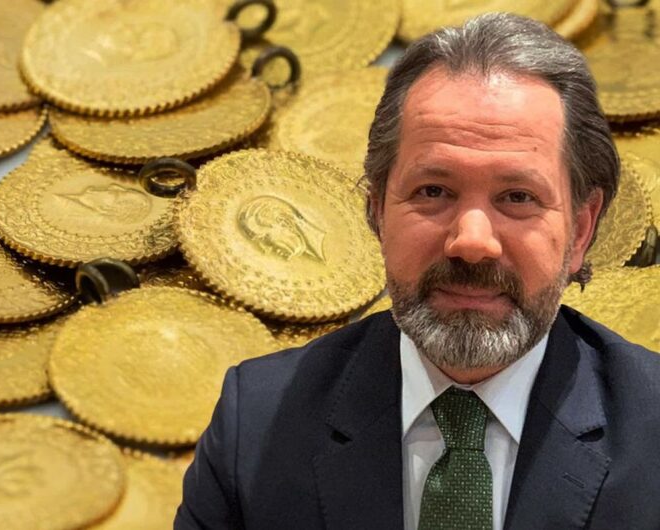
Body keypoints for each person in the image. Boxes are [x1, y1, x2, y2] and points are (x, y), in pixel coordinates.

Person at [175, 12, 660, 530]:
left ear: (581, 230)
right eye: (433, 191)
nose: (472, 242)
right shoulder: (256, 424)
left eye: (518, 197)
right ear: (377, 211)